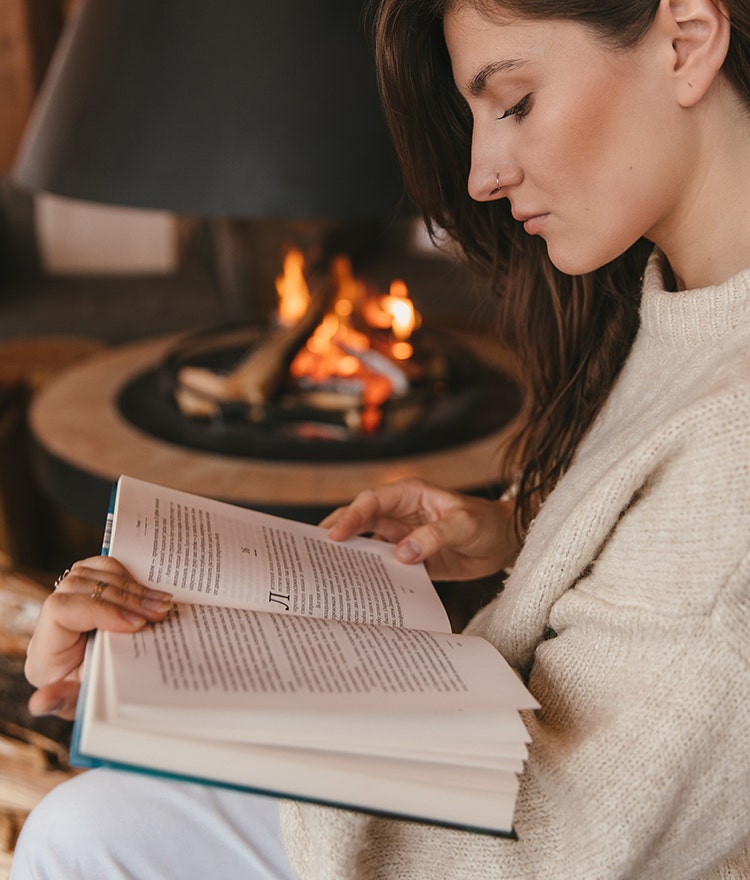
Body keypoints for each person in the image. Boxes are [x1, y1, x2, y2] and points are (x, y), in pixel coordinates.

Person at [12, 0, 750, 876]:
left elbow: (560, 848)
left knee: (87, 833)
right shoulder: (682, 302)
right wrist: (529, 531)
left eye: (512, 101)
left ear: (687, 41)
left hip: (498, 837)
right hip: (485, 776)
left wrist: (207, 708)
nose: (480, 174)